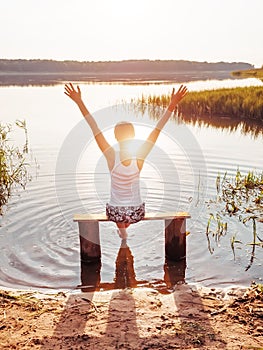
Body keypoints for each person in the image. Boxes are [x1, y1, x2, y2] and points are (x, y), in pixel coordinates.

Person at [64, 83, 188, 239]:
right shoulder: (140, 155)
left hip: (115, 213)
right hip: (136, 213)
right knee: (127, 213)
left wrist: (79, 102)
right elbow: (157, 130)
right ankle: (124, 229)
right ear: (134, 136)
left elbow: (94, 127)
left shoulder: (111, 155)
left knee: (118, 212)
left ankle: (123, 232)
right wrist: (172, 105)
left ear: (115, 137)